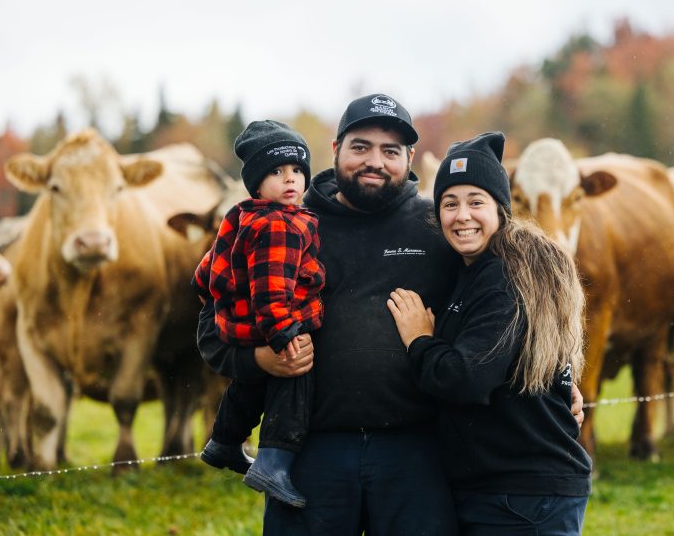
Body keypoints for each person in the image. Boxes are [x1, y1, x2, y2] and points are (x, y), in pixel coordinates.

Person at [196, 95, 586, 535]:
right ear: (336, 147)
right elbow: (212, 329)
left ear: (410, 158)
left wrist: (561, 381)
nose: (375, 161)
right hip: (312, 451)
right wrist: (261, 361)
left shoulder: (440, 227)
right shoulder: (282, 225)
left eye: (390, 151)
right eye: (361, 147)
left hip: (417, 453)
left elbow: (521, 303)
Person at [387, 131, 593, 535]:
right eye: (450, 203)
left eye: (475, 202)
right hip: (512, 489)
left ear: (501, 208)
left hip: (522, 496)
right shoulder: (484, 268)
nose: (462, 216)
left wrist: (419, 339)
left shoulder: (504, 277)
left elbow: (467, 378)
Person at [194, 120, 324, 508]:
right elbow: (271, 291)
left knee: (249, 386)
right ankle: (273, 462)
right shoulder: (280, 225)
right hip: (273, 321)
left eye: (298, 170)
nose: (291, 179)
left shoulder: (242, 216)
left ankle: (223, 443)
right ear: (255, 182)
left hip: (241, 322)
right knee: (294, 380)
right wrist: (284, 335)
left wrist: (222, 302)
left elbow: (204, 275)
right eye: (277, 171)